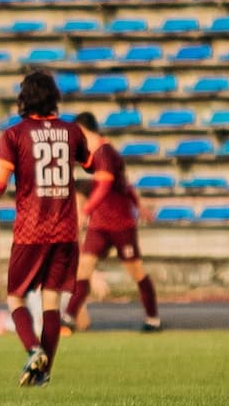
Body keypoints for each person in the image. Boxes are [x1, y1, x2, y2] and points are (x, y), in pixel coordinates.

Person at [0, 70, 88, 388]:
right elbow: (91, 163)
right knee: (51, 301)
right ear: (55, 98)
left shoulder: (14, 135)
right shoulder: (72, 131)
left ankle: (33, 348)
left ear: (23, 99)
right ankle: (44, 371)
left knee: (15, 298)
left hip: (31, 230)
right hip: (65, 230)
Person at [65, 111, 163, 335]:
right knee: (84, 269)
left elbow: (105, 187)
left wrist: (85, 211)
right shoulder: (94, 155)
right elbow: (125, 186)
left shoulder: (106, 153)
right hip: (100, 225)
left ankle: (153, 318)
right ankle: (68, 318)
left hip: (120, 225)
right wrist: (139, 206)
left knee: (136, 271)